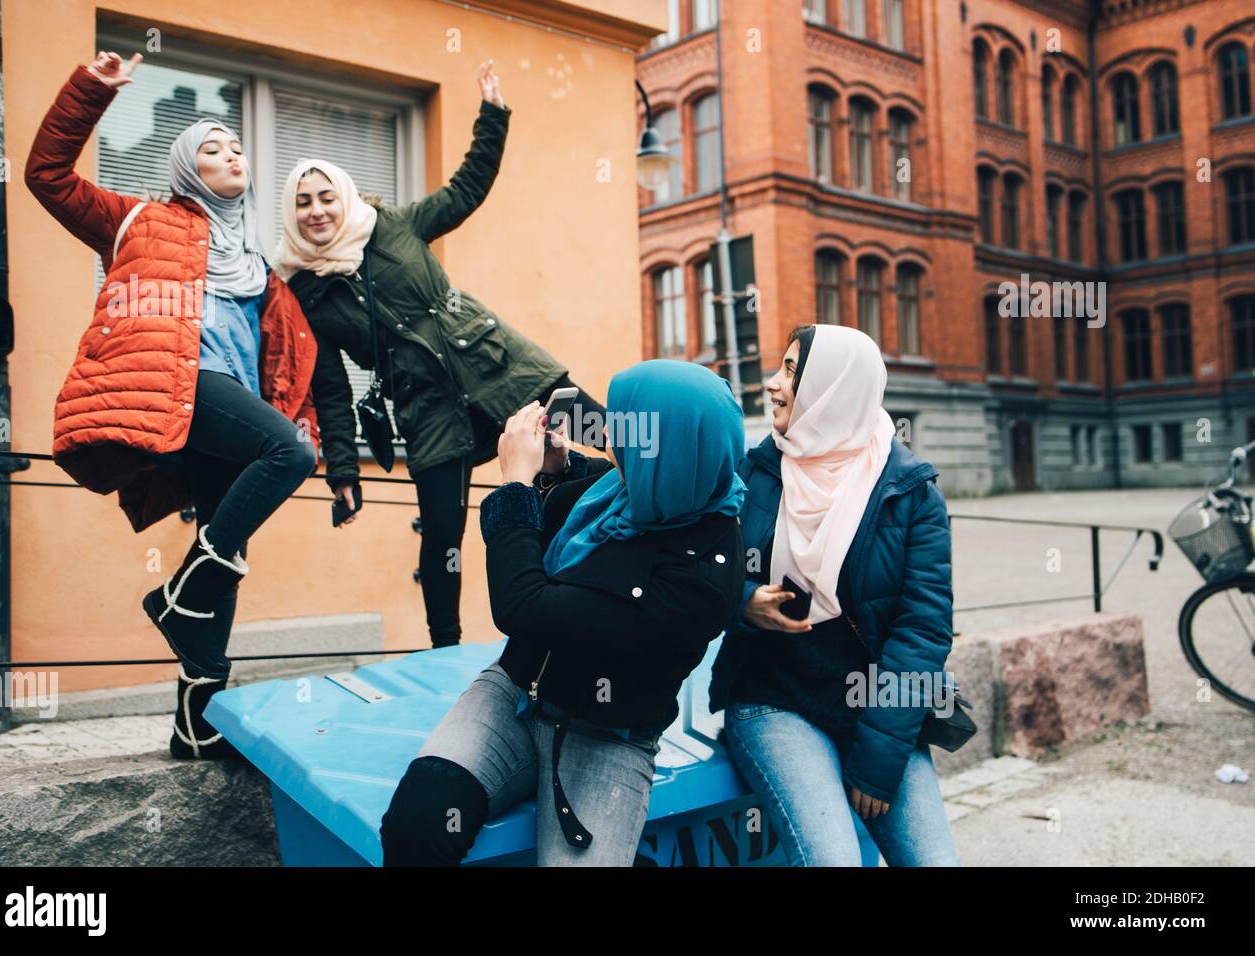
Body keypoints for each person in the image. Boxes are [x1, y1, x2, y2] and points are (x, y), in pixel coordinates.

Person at [25, 52, 322, 760]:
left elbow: (280, 353)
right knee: (290, 453)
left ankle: (196, 721)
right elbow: (47, 176)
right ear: (188, 166)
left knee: (227, 552)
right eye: (213, 149)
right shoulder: (138, 221)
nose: (232, 155)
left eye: (238, 146)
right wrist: (91, 90)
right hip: (175, 390)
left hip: (231, 407)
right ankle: (183, 585)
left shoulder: (258, 258)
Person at [275, 60, 606, 650]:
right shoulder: (307, 292)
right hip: (426, 406)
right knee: (443, 535)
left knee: (606, 430)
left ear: (345, 196)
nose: (317, 210)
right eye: (303, 202)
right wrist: (344, 473)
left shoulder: (393, 226)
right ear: (291, 213)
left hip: (496, 362)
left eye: (326, 196)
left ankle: (677, 510)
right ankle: (444, 651)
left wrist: (492, 113)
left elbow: (467, 187)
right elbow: (330, 389)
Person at [379, 360, 746, 866]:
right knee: (417, 825)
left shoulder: (700, 581)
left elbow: (525, 607)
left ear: (668, 453)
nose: (609, 435)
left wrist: (516, 485)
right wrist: (557, 467)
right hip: (514, 693)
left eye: (625, 426)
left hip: (608, 737)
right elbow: (596, 477)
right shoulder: (645, 486)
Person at [709, 324, 960, 866]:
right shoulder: (757, 470)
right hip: (774, 701)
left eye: (792, 371)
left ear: (835, 387)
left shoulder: (910, 492)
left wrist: (878, 754)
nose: (772, 384)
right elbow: (702, 570)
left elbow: (923, 631)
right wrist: (743, 601)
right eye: (779, 368)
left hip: (877, 706)